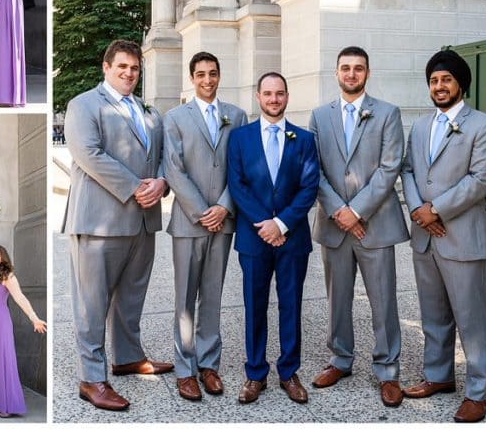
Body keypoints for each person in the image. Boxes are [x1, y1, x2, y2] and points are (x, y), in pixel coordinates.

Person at [62, 39, 171, 412]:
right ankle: (92, 379)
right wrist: (135, 187)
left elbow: (160, 158)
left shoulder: (149, 111)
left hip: (142, 221)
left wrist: (161, 182)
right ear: (105, 67)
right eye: (122, 66)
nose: (129, 73)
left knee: (130, 297)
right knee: (92, 305)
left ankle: (127, 357)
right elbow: (88, 154)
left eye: (135, 68)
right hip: (99, 221)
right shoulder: (83, 105)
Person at [401, 50, 486, 424]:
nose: (439, 86)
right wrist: (418, 212)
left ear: (461, 83)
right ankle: (439, 376)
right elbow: (409, 170)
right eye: (433, 80)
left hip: (463, 237)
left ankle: (479, 394)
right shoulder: (420, 126)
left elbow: (480, 181)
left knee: (472, 320)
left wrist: (436, 210)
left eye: (446, 79)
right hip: (425, 237)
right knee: (434, 315)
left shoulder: (483, 126)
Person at [308, 47, 408, 407]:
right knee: (337, 299)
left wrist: (358, 211)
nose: (351, 74)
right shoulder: (320, 116)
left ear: (368, 72)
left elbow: (389, 167)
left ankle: (387, 369)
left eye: (358, 68)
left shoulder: (387, 113)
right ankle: (340, 359)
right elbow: (313, 169)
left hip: (376, 224)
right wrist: (339, 211)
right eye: (345, 68)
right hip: (335, 225)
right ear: (336, 72)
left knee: (383, 299)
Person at [227, 71, 319, 406]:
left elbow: (309, 187)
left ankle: (289, 372)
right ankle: (255, 373)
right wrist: (264, 224)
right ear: (258, 97)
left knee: (291, 305)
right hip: (254, 239)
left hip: (292, 238)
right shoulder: (240, 138)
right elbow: (238, 185)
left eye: (279, 94)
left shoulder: (305, 139)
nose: (274, 99)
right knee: (255, 305)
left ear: (287, 97)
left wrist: (281, 224)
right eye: (267, 94)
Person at [163, 52, 247, 402]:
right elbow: (173, 169)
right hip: (188, 221)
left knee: (212, 296)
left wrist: (223, 208)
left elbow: (242, 166)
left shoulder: (237, 115)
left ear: (220, 74)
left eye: (213, 73)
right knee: (185, 298)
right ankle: (185, 369)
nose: (208, 80)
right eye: (201, 75)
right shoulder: (175, 118)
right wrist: (203, 211)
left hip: (224, 221)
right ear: (191, 78)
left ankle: (209, 364)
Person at [0, 209, 47, 416]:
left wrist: (34, 318)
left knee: (1, 361)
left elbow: (20, 298)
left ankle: (5, 405)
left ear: (3, 258)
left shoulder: (7, 276)